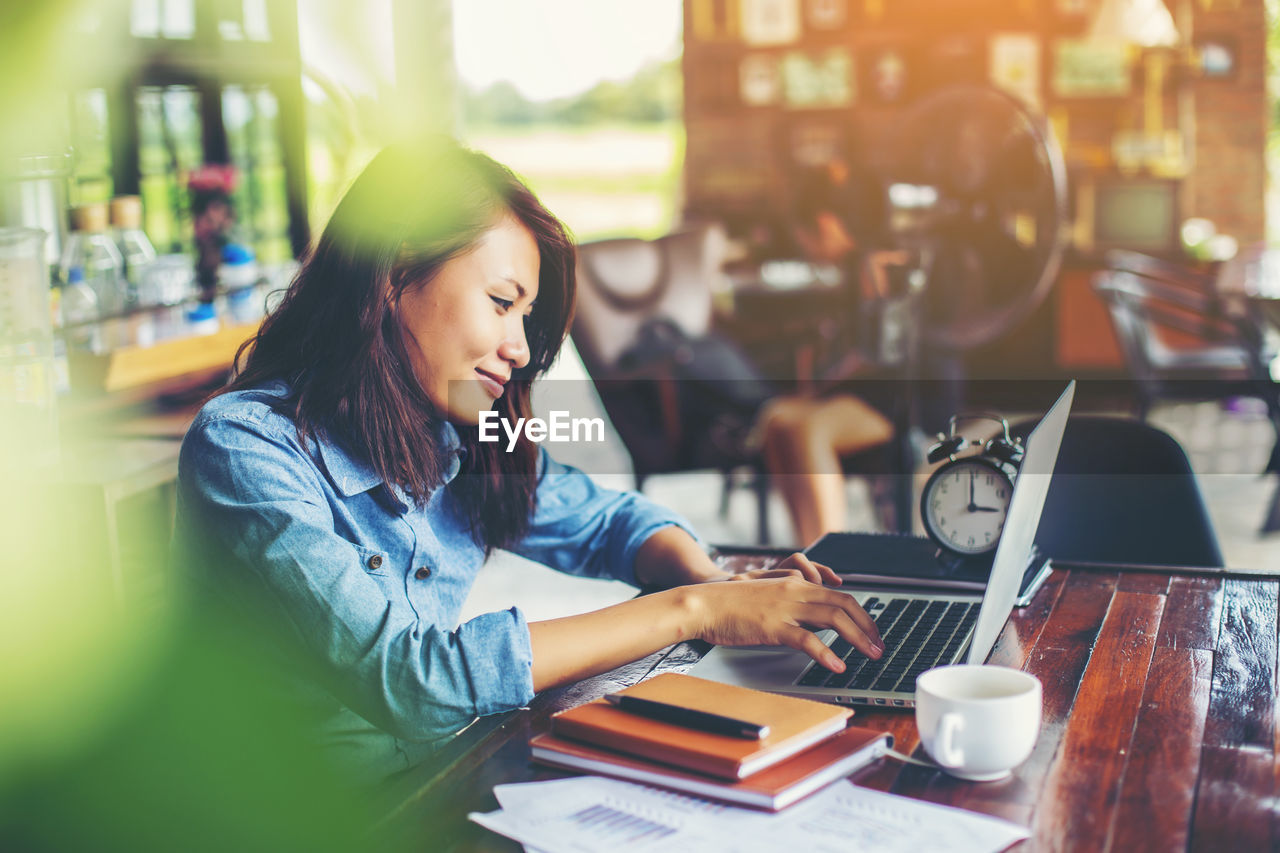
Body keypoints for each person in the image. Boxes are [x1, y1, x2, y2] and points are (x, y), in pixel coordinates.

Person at [172, 138, 883, 784]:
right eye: (501, 302)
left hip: (439, 779)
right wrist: (696, 609)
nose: (519, 347)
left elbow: (606, 521)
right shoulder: (244, 449)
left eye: (526, 317)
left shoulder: (456, 427)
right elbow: (413, 679)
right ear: (394, 275)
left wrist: (717, 583)